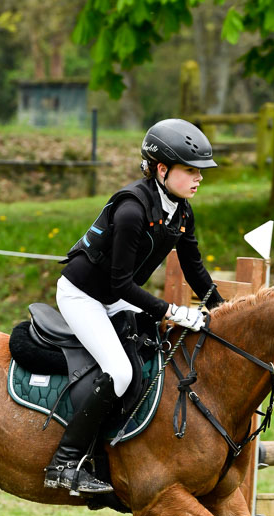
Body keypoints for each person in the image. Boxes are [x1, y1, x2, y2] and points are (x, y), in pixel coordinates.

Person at [44, 118, 224, 495]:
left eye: (200, 172)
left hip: (114, 296)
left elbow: (195, 270)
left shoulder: (182, 211)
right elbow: (121, 284)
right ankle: (63, 463)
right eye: (190, 170)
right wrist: (172, 311)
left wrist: (224, 313)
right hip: (82, 296)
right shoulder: (131, 210)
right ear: (162, 169)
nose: (199, 178)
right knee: (121, 372)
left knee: (154, 357)